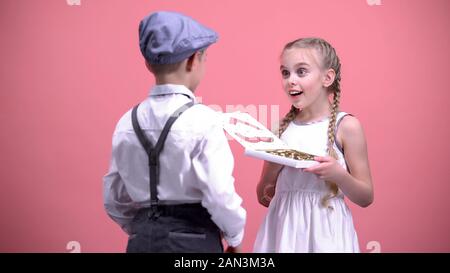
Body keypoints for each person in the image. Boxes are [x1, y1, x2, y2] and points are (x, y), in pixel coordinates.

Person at [103, 11, 246, 253]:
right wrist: (235, 237)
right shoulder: (204, 120)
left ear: (148, 63)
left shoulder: (126, 122)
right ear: (193, 60)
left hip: (140, 240)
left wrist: (144, 227)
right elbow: (219, 194)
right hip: (194, 241)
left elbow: (114, 198)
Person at [253, 37, 373, 252]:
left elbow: (365, 197)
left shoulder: (346, 126)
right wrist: (272, 167)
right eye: (285, 72)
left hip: (327, 233)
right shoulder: (279, 128)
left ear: (327, 77)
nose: (290, 80)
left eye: (301, 71)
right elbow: (263, 196)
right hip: (284, 231)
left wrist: (338, 174)